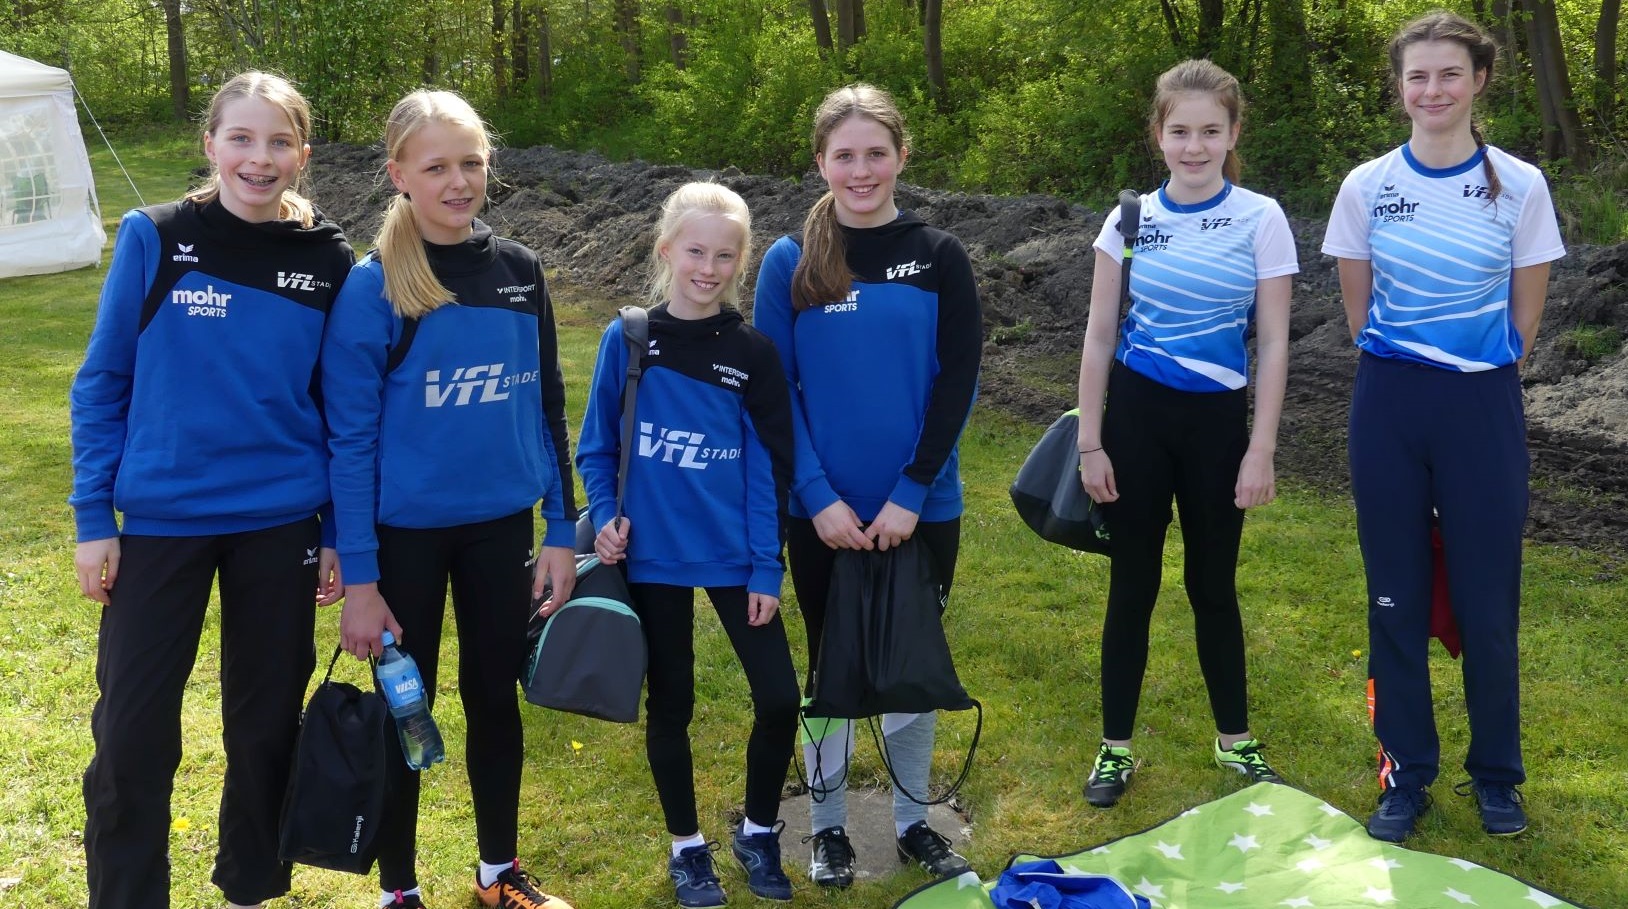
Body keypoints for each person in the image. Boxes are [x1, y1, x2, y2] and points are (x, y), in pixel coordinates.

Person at [70, 72, 353, 909]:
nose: (258, 159)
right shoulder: (155, 237)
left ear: (302, 154)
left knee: (265, 726)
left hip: (281, 521)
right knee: (131, 732)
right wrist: (94, 517)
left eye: (278, 142)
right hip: (162, 521)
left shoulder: (328, 259)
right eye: (241, 138)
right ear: (211, 144)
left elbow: (341, 408)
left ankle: (251, 885)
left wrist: (337, 529)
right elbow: (102, 382)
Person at [321, 89, 578, 909]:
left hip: (500, 529)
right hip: (405, 541)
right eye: (436, 167)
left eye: (471, 163)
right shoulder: (374, 289)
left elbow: (547, 407)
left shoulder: (519, 271)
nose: (458, 182)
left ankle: (498, 874)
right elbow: (349, 443)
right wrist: (362, 579)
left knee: (494, 700)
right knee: (408, 710)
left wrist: (562, 528)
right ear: (399, 174)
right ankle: (398, 888)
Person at [1322, 10, 1564, 844]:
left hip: (1480, 406)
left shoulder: (1521, 184)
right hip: (1389, 402)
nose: (1433, 90)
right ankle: (1405, 773)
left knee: (1488, 601)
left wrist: (1475, 373)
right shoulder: (1365, 185)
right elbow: (1359, 311)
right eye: (1418, 76)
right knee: (1393, 597)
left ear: (1479, 80)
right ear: (1399, 87)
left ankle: (1496, 775)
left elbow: (1524, 319)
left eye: (1450, 74)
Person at [752, 83, 982, 888]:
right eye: (844, 155)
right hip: (824, 515)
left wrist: (912, 492)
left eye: (875, 153)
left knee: (910, 661)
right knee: (831, 671)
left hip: (921, 508)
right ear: (820, 161)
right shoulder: (790, 261)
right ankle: (828, 828)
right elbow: (774, 393)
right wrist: (816, 497)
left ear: (902, 156)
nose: (861, 170)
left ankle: (915, 820)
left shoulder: (939, 256)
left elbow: (958, 382)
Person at [1074, 59, 1296, 809]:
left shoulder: (1261, 217)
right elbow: (1098, 336)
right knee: (1131, 584)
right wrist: (1091, 443)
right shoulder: (1129, 219)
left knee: (1213, 586)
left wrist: (1261, 448)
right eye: (1179, 131)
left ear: (1233, 134)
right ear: (1158, 135)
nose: (1194, 146)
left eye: (1209, 131)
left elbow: (1274, 342)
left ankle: (1235, 739)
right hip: (1136, 420)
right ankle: (1114, 749)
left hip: (1217, 426)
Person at [578, 181, 801, 908]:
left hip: (736, 556)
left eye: (725, 256)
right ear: (666, 250)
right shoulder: (629, 338)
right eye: (696, 251)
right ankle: (687, 848)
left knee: (780, 698)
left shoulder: (753, 354)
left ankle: (759, 831)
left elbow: (769, 472)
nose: (709, 268)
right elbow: (597, 447)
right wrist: (606, 515)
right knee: (671, 702)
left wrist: (766, 567)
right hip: (652, 558)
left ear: (741, 261)